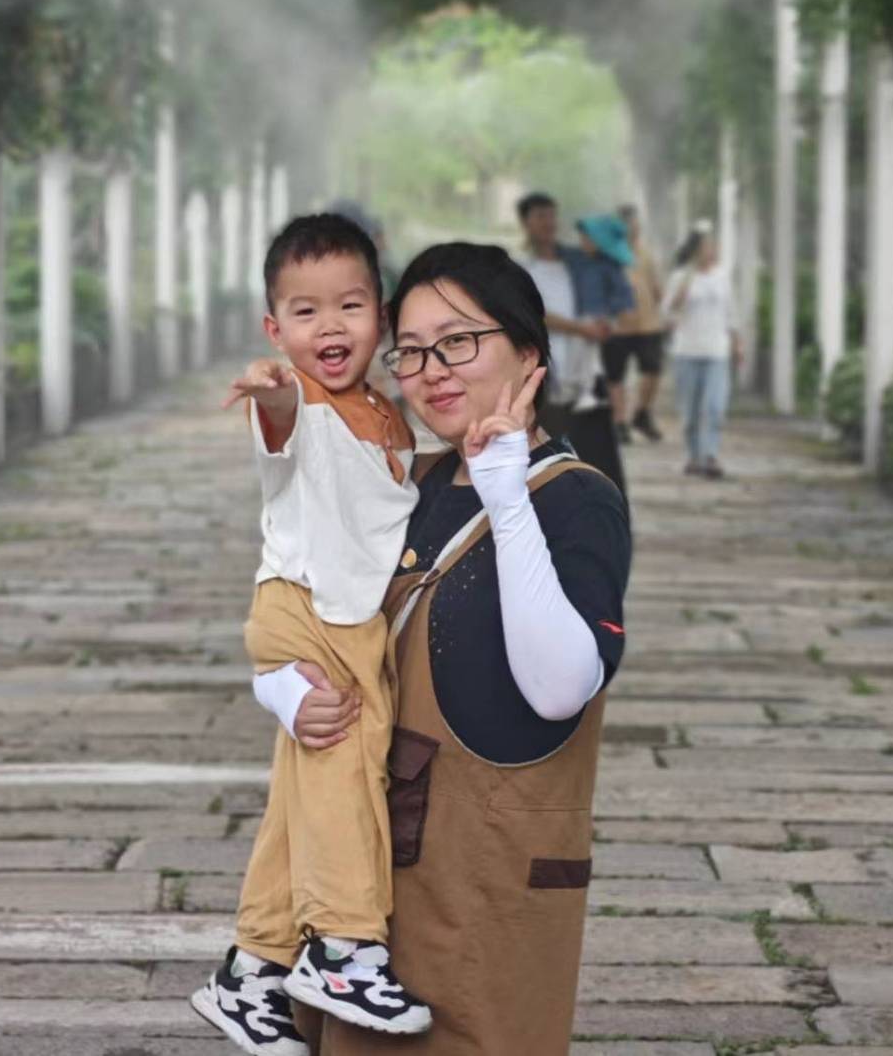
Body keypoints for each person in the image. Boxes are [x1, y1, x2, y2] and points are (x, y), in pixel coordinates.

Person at [254, 243, 632, 1054]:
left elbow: (560, 686)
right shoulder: (407, 485)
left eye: (459, 341)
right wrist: (287, 694)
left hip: (489, 876)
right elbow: (300, 606)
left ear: (528, 351)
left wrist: (502, 484)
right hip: (369, 876)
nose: (433, 369)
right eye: (414, 350)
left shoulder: (576, 500)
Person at [191, 213, 430, 1054]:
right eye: (304, 311)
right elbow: (283, 418)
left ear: (382, 314)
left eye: (350, 306)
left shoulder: (386, 414)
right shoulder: (301, 407)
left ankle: (251, 970)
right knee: (345, 779)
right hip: (310, 607)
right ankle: (342, 947)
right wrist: (273, 391)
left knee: (304, 790)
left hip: (337, 616)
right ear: (275, 328)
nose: (328, 326)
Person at [516, 191, 626, 494]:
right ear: (525, 223)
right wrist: (580, 328)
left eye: (551, 215)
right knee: (555, 461)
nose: (548, 223)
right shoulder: (523, 270)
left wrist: (601, 322)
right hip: (550, 377)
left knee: (602, 463)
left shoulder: (578, 264)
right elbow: (533, 314)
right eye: (539, 216)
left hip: (588, 375)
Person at [661, 226, 740, 480]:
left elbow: (731, 312)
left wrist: (738, 343)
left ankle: (711, 455)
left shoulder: (722, 277)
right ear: (695, 249)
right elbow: (667, 312)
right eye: (706, 246)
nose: (711, 250)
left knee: (715, 406)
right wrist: (687, 280)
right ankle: (694, 456)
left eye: (712, 245)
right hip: (687, 350)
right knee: (691, 411)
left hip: (717, 350)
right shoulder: (681, 277)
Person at [605, 203, 667, 444]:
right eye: (628, 225)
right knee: (615, 376)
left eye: (635, 223)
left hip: (648, 324)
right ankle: (620, 421)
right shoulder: (607, 256)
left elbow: (657, 288)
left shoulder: (647, 253)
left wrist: (667, 312)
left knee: (653, 370)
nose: (634, 228)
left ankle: (641, 412)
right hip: (616, 327)